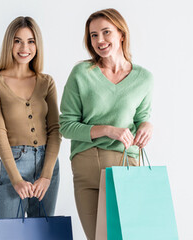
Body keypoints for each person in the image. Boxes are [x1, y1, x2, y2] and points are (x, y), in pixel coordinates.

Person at [58, 8, 154, 240]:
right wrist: (107, 130)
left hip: (126, 165)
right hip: (87, 165)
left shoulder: (143, 78)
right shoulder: (81, 73)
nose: (99, 40)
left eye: (106, 32)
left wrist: (147, 126)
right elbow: (66, 125)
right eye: (93, 35)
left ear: (121, 34)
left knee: (128, 236)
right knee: (98, 237)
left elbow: (142, 118)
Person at [0, 16, 61, 219]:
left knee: (43, 232)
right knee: (10, 232)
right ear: (9, 43)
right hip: (14, 162)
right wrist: (16, 179)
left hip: (48, 163)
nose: (24, 47)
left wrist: (46, 176)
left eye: (31, 41)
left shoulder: (46, 82)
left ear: (37, 45)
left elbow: (55, 130)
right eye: (18, 40)